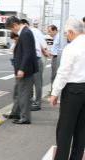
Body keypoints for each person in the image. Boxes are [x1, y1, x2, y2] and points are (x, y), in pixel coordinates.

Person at [50, 18, 85, 160]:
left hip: (73, 90)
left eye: (66, 33)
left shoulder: (71, 48)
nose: (66, 36)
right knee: (82, 129)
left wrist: (55, 93)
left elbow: (63, 72)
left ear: (71, 32)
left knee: (65, 129)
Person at [3, 16, 38, 124]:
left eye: (11, 29)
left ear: (14, 25)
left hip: (25, 71)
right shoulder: (25, 32)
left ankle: (25, 117)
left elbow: (28, 53)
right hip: (23, 70)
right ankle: (17, 113)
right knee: (19, 93)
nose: (12, 31)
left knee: (24, 94)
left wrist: (22, 69)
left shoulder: (26, 33)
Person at [20, 19, 48, 111]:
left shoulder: (34, 31)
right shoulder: (25, 32)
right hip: (31, 59)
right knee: (31, 81)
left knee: (37, 82)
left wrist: (45, 51)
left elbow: (43, 44)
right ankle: (31, 100)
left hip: (37, 58)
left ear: (25, 24)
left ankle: (37, 102)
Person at [47, 25, 61, 94]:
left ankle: (54, 92)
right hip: (55, 57)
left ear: (55, 30)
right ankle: (53, 90)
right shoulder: (56, 37)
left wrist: (48, 52)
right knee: (54, 75)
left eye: (50, 31)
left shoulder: (58, 38)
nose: (49, 33)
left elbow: (55, 50)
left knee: (55, 76)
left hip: (57, 58)